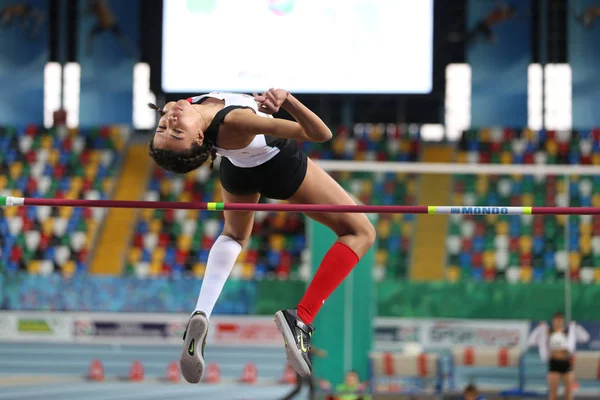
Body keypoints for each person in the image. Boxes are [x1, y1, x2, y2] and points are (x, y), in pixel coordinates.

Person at [147, 89, 376, 383]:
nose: (171, 119)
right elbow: (320, 134)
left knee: (234, 235)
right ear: (199, 139)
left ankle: (201, 311)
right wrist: (288, 101)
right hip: (277, 165)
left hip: (237, 171)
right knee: (360, 232)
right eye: (177, 130)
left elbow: (175, 118)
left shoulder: (176, 109)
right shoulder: (237, 122)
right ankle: (301, 318)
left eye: (164, 126)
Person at [527, 311, 590, 400]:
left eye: (560, 320)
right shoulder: (547, 332)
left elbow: (585, 337)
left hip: (566, 363)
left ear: (563, 321)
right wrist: (538, 328)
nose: (558, 322)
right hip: (554, 363)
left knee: (569, 394)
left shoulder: (569, 331)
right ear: (553, 321)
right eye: (556, 320)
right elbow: (531, 341)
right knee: (553, 395)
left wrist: (576, 325)